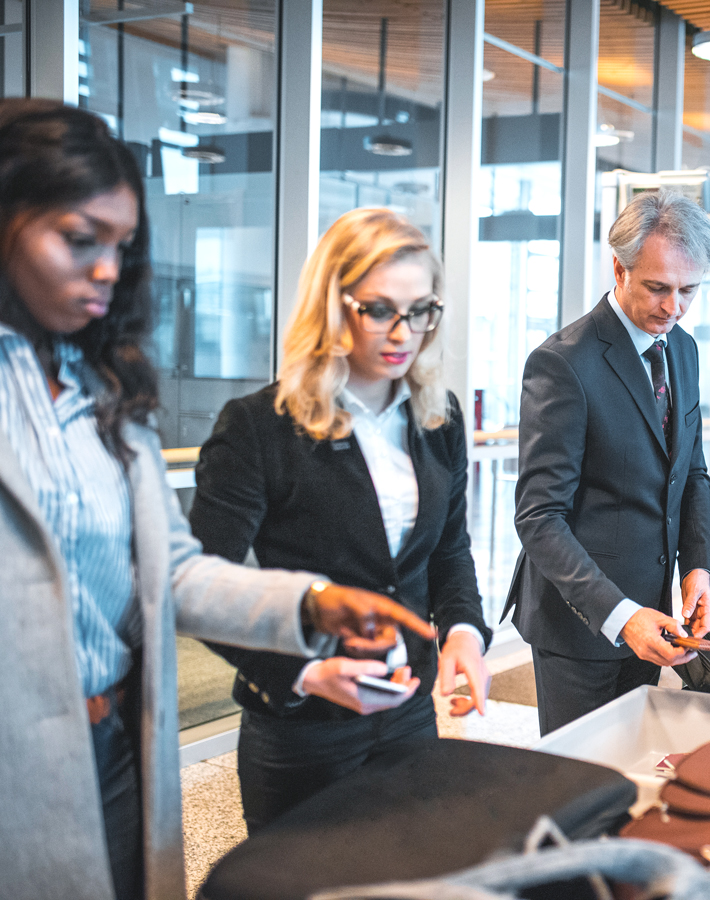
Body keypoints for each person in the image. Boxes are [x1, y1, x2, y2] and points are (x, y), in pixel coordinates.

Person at [0, 100, 436, 900]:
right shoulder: (257, 423)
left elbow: (175, 571)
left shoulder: (102, 387)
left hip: (124, 743)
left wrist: (314, 604)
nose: (107, 269)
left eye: (122, 247)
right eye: (78, 239)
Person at [189, 208, 492, 833]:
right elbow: (199, 586)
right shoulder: (258, 426)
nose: (403, 331)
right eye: (379, 309)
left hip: (408, 703)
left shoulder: (440, 416)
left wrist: (463, 628)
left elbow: (448, 550)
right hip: (304, 725)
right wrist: (303, 673)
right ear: (333, 305)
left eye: (421, 310)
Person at [505, 189, 710, 736]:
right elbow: (538, 517)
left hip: (656, 615)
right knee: (579, 784)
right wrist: (620, 617)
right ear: (620, 270)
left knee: (633, 772)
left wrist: (697, 566)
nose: (674, 307)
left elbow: (690, 469)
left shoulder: (684, 350)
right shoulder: (563, 363)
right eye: (658, 288)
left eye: (689, 290)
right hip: (582, 621)